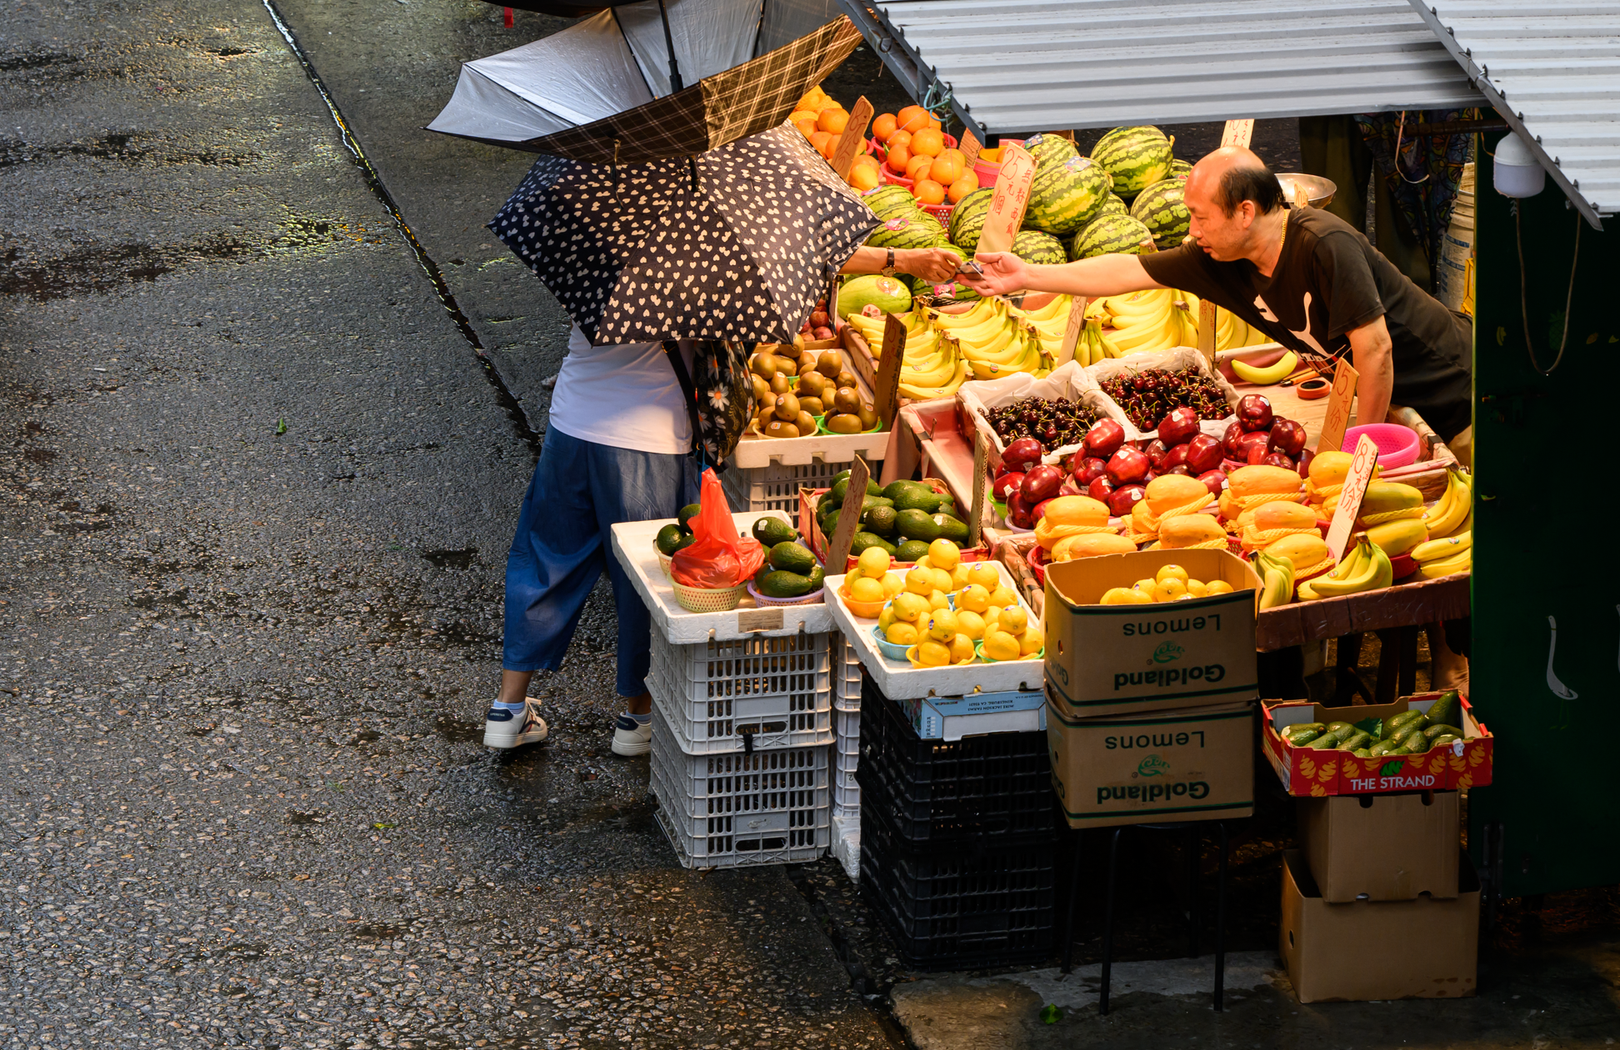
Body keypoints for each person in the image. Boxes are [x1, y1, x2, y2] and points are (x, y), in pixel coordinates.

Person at [972, 146, 1477, 686]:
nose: (1192, 229)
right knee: (1410, 528)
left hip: (1460, 395)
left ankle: (1464, 664)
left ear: (1245, 212)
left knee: (1462, 540)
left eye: (1199, 215)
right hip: (1400, 405)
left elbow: (1375, 350)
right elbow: (1129, 271)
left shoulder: (1323, 244)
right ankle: (1449, 653)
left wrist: (1356, 452)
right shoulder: (1224, 260)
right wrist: (1025, 274)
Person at [486, 241, 965, 755]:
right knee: (645, 582)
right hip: (647, 441)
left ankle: (507, 710)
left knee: (545, 561)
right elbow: (799, 257)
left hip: (573, 425)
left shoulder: (597, 231)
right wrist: (904, 262)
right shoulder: (699, 249)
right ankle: (635, 720)